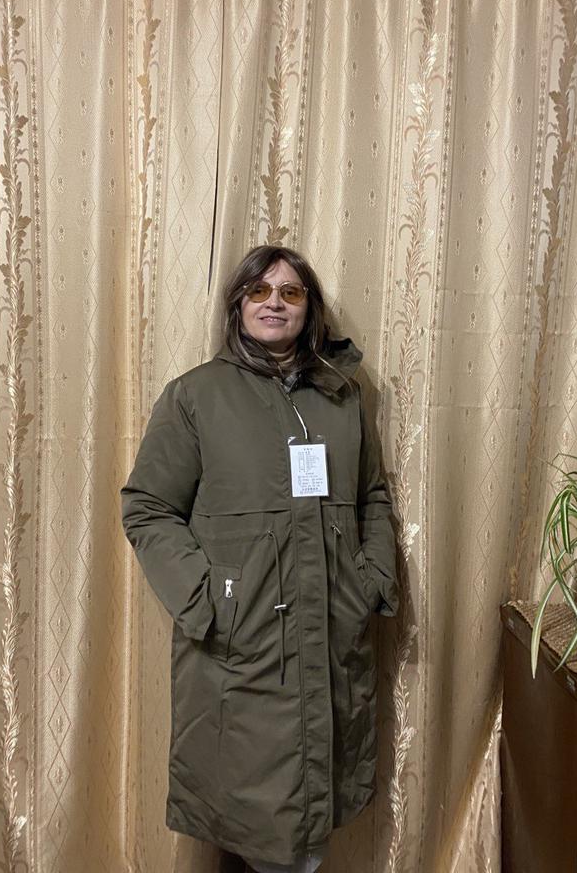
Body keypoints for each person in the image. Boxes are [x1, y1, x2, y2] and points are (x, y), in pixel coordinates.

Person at [122, 245, 399, 873]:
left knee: (309, 819)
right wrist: (207, 599)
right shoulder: (196, 395)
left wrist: (371, 579)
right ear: (238, 304)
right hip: (243, 643)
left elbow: (373, 496)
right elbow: (148, 507)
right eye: (260, 291)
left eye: (290, 292)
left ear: (309, 307)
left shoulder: (341, 397)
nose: (275, 303)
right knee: (254, 815)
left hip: (330, 636)